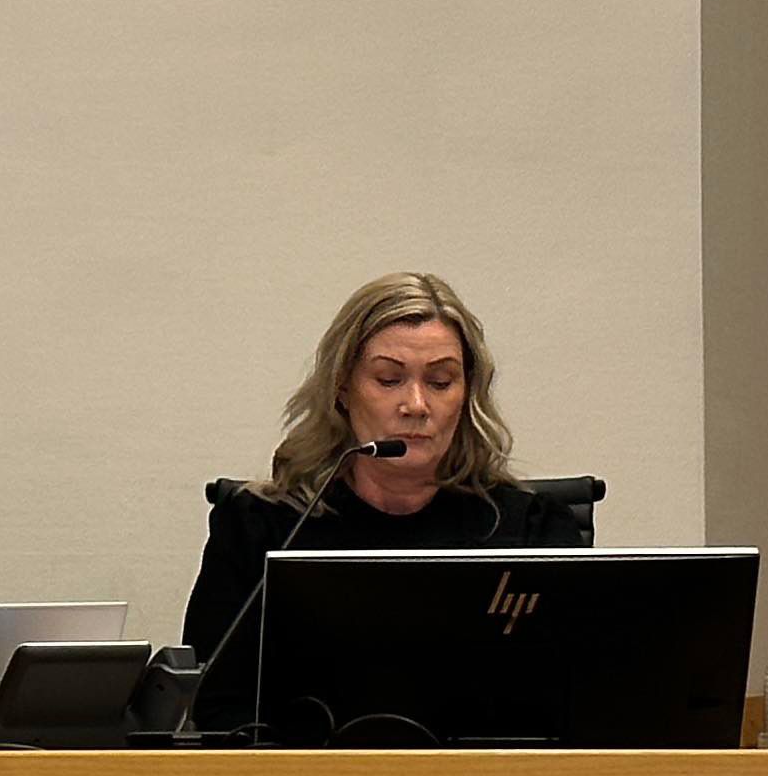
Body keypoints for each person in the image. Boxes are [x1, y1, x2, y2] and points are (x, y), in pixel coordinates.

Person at [179, 271, 588, 729]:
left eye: (440, 382)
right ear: (341, 388)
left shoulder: (531, 532)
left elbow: (579, 703)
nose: (416, 405)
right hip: (305, 772)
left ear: (467, 394)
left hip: (486, 773)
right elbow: (216, 707)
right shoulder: (263, 526)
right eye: (389, 379)